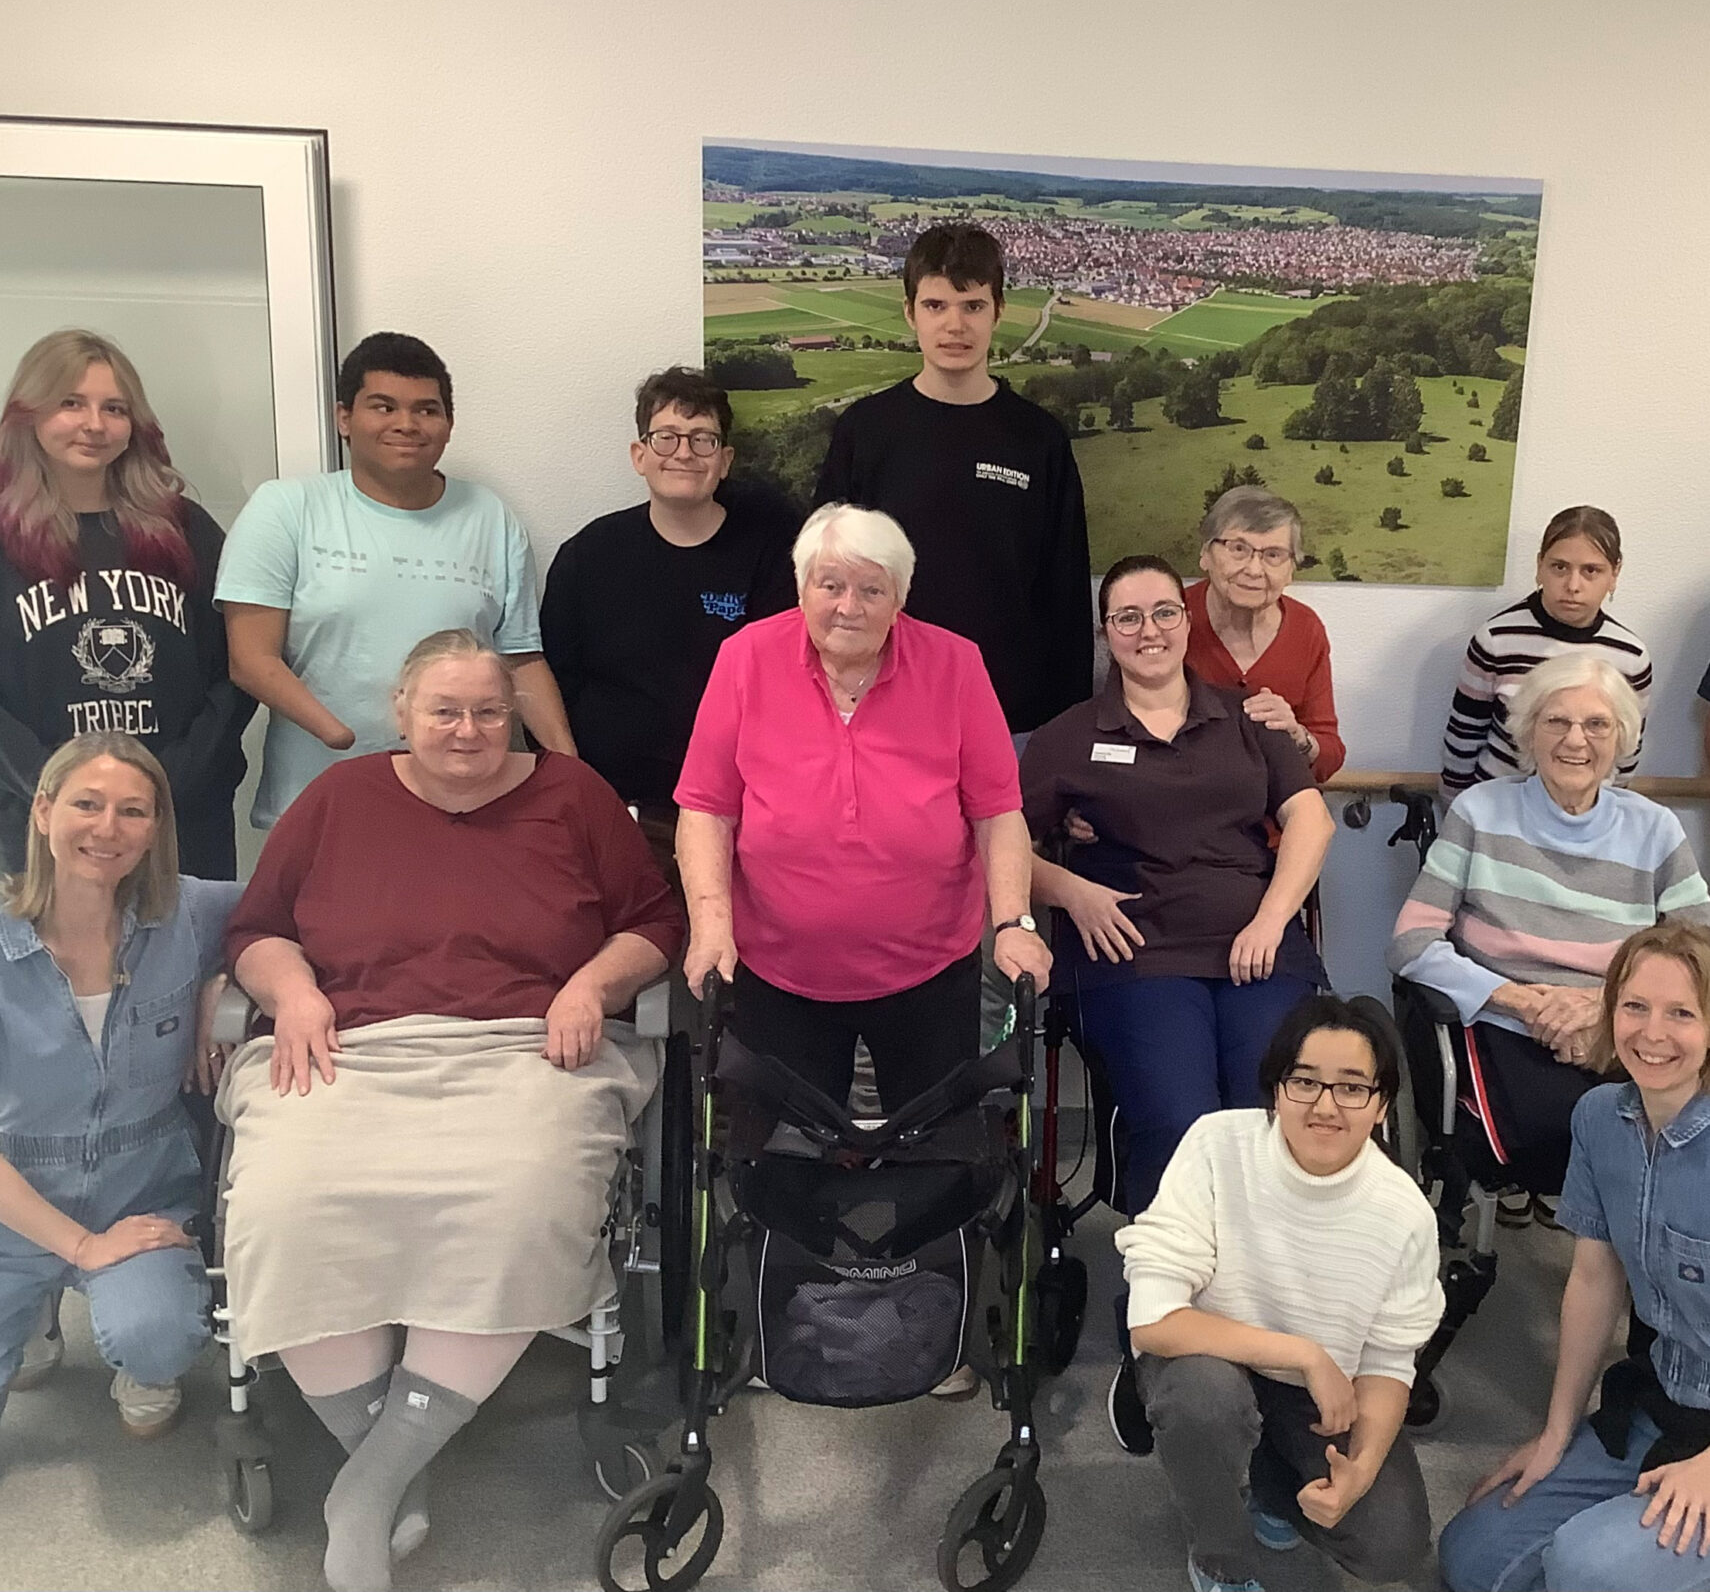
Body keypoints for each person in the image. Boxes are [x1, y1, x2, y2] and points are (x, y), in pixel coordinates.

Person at [217, 628, 680, 1592]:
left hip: (527, 1048)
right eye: (444, 710)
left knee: (517, 1203)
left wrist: (592, 982)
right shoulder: (339, 798)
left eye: (489, 711)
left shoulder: (573, 796)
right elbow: (256, 930)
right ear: (401, 712)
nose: (467, 730)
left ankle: (371, 1485)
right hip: (351, 1044)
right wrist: (294, 993)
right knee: (290, 1204)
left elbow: (656, 922)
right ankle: (392, 1467)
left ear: (514, 715)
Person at [675, 502, 1052, 1111]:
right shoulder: (745, 658)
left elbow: (997, 811)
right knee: (783, 1161)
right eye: (831, 585)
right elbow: (706, 809)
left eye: (871, 588)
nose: (848, 606)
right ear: (801, 588)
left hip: (930, 970)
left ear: (900, 597)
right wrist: (711, 925)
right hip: (777, 969)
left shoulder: (956, 664)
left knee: (936, 1159)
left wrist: (1013, 924)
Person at [1020, 554, 1335, 1215]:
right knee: (1182, 1122)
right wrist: (1071, 892)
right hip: (1136, 956)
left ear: (1186, 620)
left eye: (1163, 612)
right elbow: (1002, 847)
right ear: (1107, 633)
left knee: (1271, 1114)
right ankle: (1168, 1296)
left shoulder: (1249, 717)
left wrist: (1272, 918)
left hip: (1260, 948)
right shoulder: (1068, 737)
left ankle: (1258, 1287)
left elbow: (1310, 819)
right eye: (1127, 617)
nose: (1149, 630)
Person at [1118, 997, 1442, 1592]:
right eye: (1304, 1081)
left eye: (1351, 1088)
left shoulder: (1405, 1213)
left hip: (1314, 1398)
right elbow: (1153, 1320)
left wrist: (1361, 1470)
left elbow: (1389, 1362)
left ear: (1381, 1106)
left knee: (1392, 1547)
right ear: (1275, 1090)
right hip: (1210, 1359)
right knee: (1202, 1402)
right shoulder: (1217, 1146)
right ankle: (1218, 1554)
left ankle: (1269, 1481)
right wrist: (1305, 1354)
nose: (1324, 1106)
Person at [1439, 920, 1710, 1592]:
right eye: (1635, 1007)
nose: (1652, 1033)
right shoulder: (1597, 1118)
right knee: (1473, 1557)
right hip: (1661, 1399)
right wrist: (1556, 1434)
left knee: (1585, 1568)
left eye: (1682, 1013)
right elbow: (1593, 1279)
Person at [1391, 652, 1710, 1222]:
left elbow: (1701, 946)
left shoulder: (1654, 828)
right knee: (1577, 1125)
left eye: (1597, 724)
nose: (1575, 741)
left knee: (1683, 1125)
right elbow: (1411, 942)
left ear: (1621, 739)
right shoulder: (1481, 811)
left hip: (1621, 1021)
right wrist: (1521, 1000)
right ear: (1529, 731)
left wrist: (1604, 1007)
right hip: (1507, 1021)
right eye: (1556, 721)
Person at [216, 331, 573, 829]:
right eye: (383, 407)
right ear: (345, 418)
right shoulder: (286, 509)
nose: (406, 424)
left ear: (448, 424)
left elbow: (519, 658)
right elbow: (251, 659)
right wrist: (343, 739)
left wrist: (570, 771)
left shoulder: (489, 516)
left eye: (427, 410)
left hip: (465, 805)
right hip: (321, 801)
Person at [0, 734, 238, 1439]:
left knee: (157, 1335)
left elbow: (288, 913)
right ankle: (37, 1303)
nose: (108, 829)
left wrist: (227, 978)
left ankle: (141, 1360)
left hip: (141, 1197)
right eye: (87, 804)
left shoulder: (188, 914)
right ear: (42, 811)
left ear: (157, 827)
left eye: (134, 811)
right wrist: (78, 1247)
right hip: (16, 1198)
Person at [811, 222, 1092, 739]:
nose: (954, 326)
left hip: (1013, 717)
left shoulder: (1038, 438)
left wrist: (1068, 734)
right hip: (882, 710)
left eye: (973, 306)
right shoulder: (866, 430)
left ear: (998, 311)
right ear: (909, 313)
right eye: (936, 306)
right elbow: (820, 581)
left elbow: (1066, 595)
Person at [0, 329, 254, 878]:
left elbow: (236, 671)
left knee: (185, 962)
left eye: (114, 408)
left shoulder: (186, 530)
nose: (94, 424)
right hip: (33, 824)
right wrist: (59, 789)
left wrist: (163, 784)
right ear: (29, 412)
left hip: (179, 821)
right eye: (71, 403)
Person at [540, 365, 797, 870]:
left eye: (703, 439)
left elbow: (787, 684)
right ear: (640, 456)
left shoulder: (772, 558)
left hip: (743, 813)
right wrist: (579, 789)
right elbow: (553, 679)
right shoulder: (588, 556)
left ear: (725, 461)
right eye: (667, 438)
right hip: (620, 812)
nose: (684, 453)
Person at [1442, 505, 1649, 798]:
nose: (1573, 585)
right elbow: (1463, 738)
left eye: (1591, 570)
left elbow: (1627, 751)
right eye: (1559, 567)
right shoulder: (1497, 640)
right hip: (1499, 809)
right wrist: (1458, 813)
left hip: (1585, 817)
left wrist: (1608, 816)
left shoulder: (1631, 657)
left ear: (1614, 573)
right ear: (1540, 566)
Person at [1185, 486, 1343, 783]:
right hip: (1184, 811)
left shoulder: (1306, 629)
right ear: (1206, 554)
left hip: (1276, 819)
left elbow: (1329, 757)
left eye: (1273, 555)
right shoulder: (1167, 619)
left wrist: (1296, 734)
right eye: (1238, 549)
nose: (1254, 570)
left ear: (1291, 570)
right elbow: (1123, 733)